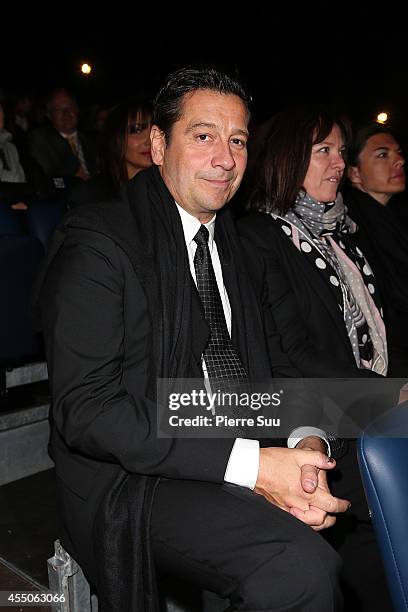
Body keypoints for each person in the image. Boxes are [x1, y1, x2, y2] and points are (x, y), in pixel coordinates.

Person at [33, 69, 349, 612]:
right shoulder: (99, 245)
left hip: (232, 424)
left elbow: (277, 364)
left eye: (238, 141)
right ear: (158, 144)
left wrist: (305, 445)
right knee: (299, 570)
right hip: (133, 473)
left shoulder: (236, 242)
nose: (225, 159)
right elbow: (87, 412)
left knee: (376, 473)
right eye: (203, 136)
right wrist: (253, 466)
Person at [239, 105, 393, 611]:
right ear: (286, 159)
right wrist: (391, 395)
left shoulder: (344, 233)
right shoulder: (261, 236)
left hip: (368, 410)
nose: (337, 162)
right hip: (324, 423)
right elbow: (295, 357)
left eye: (340, 151)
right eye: (322, 150)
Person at [346, 124, 408, 376]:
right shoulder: (351, 228)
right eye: (383, 155)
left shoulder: (395, 219)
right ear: (354, 173)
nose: (400, 161)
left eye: (398, 153)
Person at [68, 99, 152, 206]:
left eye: (157, 131)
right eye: (137, 130)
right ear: (116, 138)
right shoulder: (91, 195)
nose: (150, 140)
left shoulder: (170, 190)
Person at [27, 87, 98, 184]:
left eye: (70, 106)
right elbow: (47, 179)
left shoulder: (92, 140)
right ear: (49, 115)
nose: (66, 113)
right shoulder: (40, 140)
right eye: (58, 109)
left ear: (77, 109)